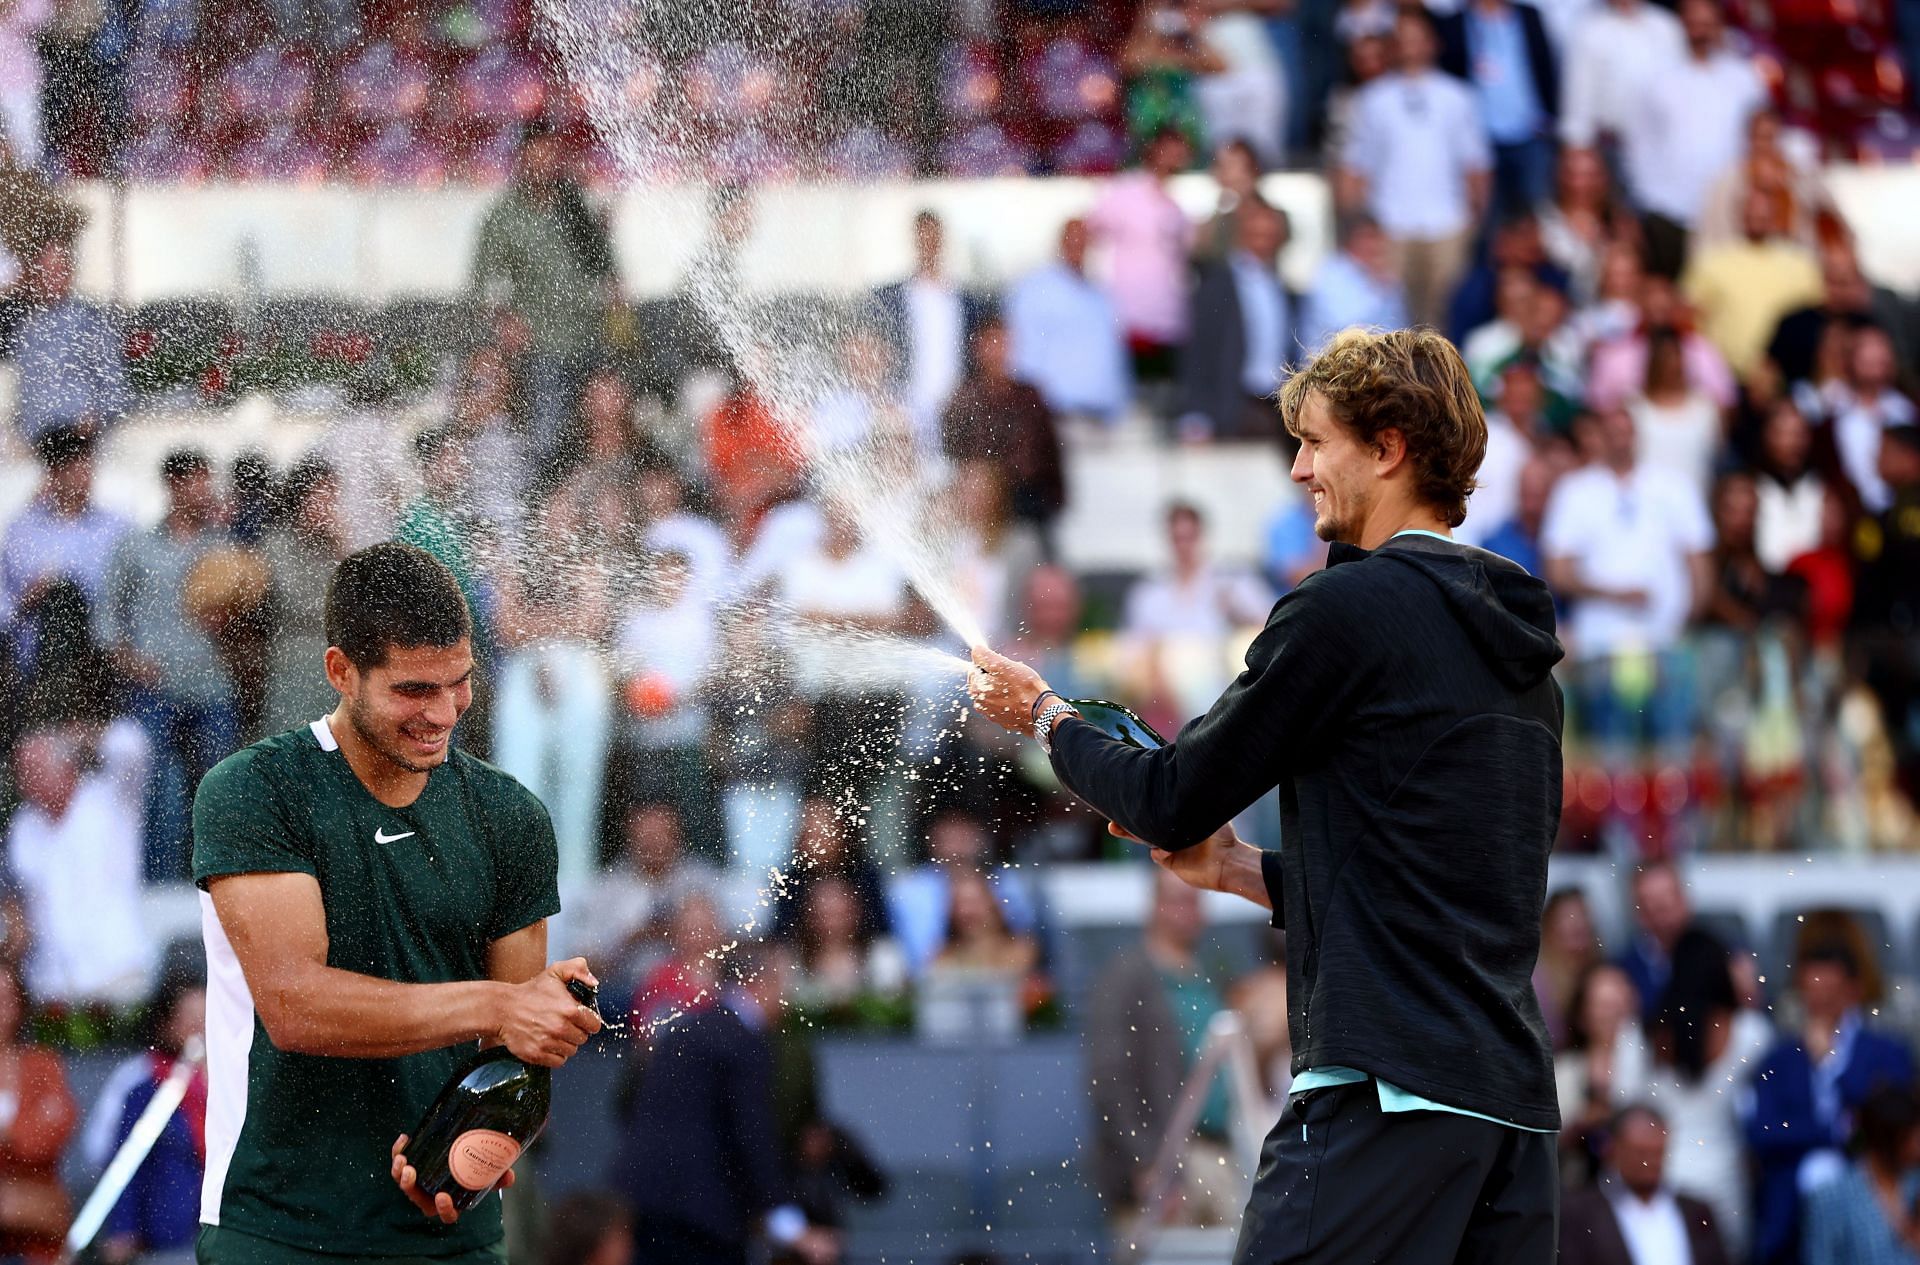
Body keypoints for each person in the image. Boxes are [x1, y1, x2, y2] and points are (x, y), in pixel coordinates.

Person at [972, 326, 1566, 1261]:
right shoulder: (1529, 659)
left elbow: (1171, 795)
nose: (1298, 469)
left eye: (1317, 441)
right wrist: (1246, 870)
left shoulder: (1345, 611)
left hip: (1383, 1092)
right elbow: (1449, 882)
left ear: (1388, 447)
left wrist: (1044, 714)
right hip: (1512, 1118)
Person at [191, 542, 602, 1264]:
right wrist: (502, 1006)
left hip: (451, 1233)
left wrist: (487, 1129)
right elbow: (296, 1006)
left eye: (460, 682)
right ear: (341, 671)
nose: (444, 711)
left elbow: (507, 1058)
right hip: (275, 1227)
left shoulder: (511, 818)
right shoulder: (254, 790)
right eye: (414, 689)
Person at [610, 942, 840, 1265]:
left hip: (641, 1204)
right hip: (702, 1221)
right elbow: (752, 1135)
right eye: (781, 982)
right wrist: (791, 1228)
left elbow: (629, 1108)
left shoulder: (683, 1030)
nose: (785, 996)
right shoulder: (743, 1041)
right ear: (758, 982)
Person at [97, 449, 240, 880]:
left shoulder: (223, 547)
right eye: (195, 481)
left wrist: (230, 621)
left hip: (211, 684)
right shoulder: (136, 544)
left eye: (206, 480)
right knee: (158, 787)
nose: (204, 490)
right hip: (152, 687)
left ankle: (215, 882)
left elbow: (247, 619)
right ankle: (159, 885)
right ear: (173, 485)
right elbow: (106, 617)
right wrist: (130, 662)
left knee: (218, 787)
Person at [1084, 870, 1239, 1229]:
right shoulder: (1126, 977)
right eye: (1179, 901)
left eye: (1196, 901)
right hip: (1165, 1159)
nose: (1190, 912)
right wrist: (1146, 1163)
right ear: (1155, 906)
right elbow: (1109, 1080)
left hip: (1218, 1151)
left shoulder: (1208, 976)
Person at [1747, 940, 1916, 1265]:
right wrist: (1832, 1130)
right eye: (1812, 992)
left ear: (1853, 991)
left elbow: (1893, 1121)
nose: (1820, 1002)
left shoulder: (1887, 1052)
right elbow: (1763, 1131)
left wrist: (1828, 1068)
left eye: (1830, 991)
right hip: (1792, 1203)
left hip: (1872, 1190)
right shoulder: (1780, 1059)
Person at [470, 121, 619, 458]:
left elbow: (608, 275)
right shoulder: (504, 216)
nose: (544, 164)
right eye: (536, 156)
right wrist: (503, 321)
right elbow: (482, 288)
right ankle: (547, 503)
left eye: (550, 156)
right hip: (542, 346)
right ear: (522, 160)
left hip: (593, 340)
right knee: (547, 438)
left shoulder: (578, 208)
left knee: (604, 437)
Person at [1337, 10, 1492, 330]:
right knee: (1392, 325)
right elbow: (1355, 169)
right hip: (1391, 224)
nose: (1410, 46)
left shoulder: (1458, 96)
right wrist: (1356, 229)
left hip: (1448, 224)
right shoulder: (1372, 99)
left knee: (1444, 326)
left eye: (1418, 38)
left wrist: (1473, 222)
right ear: (1392, 46)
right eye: (1403, 39)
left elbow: (1476, 166)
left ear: (1433, 43)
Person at [6, 720, 153, 1008]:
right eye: (21, 771)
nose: (24, 781)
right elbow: (20, 904)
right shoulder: (22, 826)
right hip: (53, 989)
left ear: (65, 765)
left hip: (118, 977)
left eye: (32, 769)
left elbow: (133, 746)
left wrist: (81, 735)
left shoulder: (112, 798)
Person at [1620, 0, 1768, 278]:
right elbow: (1639, 144)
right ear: (1682, 25)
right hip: (1668, 209)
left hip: (1727, 210)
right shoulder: (1657, 78)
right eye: (1693, 23)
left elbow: (1759, 139)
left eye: (1707, 23)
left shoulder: (1744, 80)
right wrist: (1646, 198)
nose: (1700, 31)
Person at [96, 971, 207, 1265]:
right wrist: (122, 1228)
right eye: (189, 1017)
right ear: (167, 1024)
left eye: (206, 1015)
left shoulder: (236, 1085)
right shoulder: (147, 1091)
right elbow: (126, 1164)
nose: (199, 1027)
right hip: (167, 1233)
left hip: (223, 1230)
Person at [1177, 199, 1296, 442]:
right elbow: (1200, 349)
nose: (1263, 241)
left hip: (1276, 406)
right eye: (1257, 234)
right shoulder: (1219, 284)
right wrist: (1197, 415)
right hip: (1235, 405)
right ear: (1242, 235)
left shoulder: (1280, 286)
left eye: (1270, 235)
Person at [1557, 1104, 1732, 1265]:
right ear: (1613, 1149)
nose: (1650, 1163)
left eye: (1657, 1153)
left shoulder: (1696, 1211)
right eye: (1640, 1153)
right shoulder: (1579, 1213)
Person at [1088, 125, 1196, 383]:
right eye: (1169, 148)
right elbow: (1091, 234)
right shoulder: (1125, 191)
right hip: (1129, 320)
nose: (1174, 156)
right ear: (1153, 149)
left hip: (1170, 324)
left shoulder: (1180, 203)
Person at [1434, 0, 1559, 219]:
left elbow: (1547, 69)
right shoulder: (1452, 24)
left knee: (1538, 214)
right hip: (1479, 142)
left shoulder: (1529, 16)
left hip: (1531, 135)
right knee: (1486, 221)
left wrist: (1550, 119)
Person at [1681, 188, 1824, 380]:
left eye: (1764, 211)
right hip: (1726, 378)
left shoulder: (1800, 264)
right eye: (1752, 210)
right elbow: (1687, 316)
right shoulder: (1712, 261)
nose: (1757, 216)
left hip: (1787, 377)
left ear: (1775, 215)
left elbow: (1816, 315)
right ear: (1740, 213)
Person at [939, 320, 1066, 535]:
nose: (998, 351)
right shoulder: (964, 397)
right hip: (979, 504)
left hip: (1025, 501)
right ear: (977, 348)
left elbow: (1047, 454)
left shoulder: (1030, 396)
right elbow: (956, 456)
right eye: (991, 343)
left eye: (1003, 343)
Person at [1002, 217, 1131, 424]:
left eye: (1084, 240)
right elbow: (1023, 353)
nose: (1078, 246)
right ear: (1060, 243)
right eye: (1073, 239)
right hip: (1056, 416)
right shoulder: (1037, 288)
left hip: (1102, 418)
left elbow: (1114, 357)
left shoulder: (1100, 296)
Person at [0, 425, 129, 633]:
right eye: (76, 467)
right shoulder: (24, 528)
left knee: (66, 595)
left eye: (88, 465)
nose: (86, 475)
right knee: (59, 598)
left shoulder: (117, 526)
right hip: (35, 641)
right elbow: (7, 597)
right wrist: (27, 599)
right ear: (55, 473)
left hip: (96, 643)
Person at [874, 209, 983, 438]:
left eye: (933, 236)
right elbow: (875, 351)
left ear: (942, 240)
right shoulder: (890, 298)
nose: (928, 244)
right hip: (904, 409)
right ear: (914, 241)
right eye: (923, 237)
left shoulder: (965, 300)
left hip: (955, 409)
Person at [11, 235, 132, 442]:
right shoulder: (26, 324)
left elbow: (116, 387)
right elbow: (25, 388)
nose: (50, 278)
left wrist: (94, 420)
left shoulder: (89, 322)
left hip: (80, 439)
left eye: (57, 270)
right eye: (44, 271)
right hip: (38, 440)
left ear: (70, 273)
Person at [0, 960, 76, 1264]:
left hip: (37, 1240)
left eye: (6, 999)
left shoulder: (43, 1065)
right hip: (32, 1209)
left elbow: (47, 1140)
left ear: (20, 1006)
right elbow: (33, 1139)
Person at [1800, 1085, 1920, 1265]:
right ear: (1888, 1140)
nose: (1917, 1147)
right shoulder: (1831, 1198)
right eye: (1911, 1139)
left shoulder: (1914, 1184)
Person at [1298, 212, 1410, 351]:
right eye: (1367, 237)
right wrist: (1378, 290)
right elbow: (1348, 329)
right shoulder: (1329, 274)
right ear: (1350, 240)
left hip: (1381, 363)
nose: (1373, 245)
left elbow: (1400, 330)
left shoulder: (1386, 278)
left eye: (1377, 238)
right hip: (1331, 364)